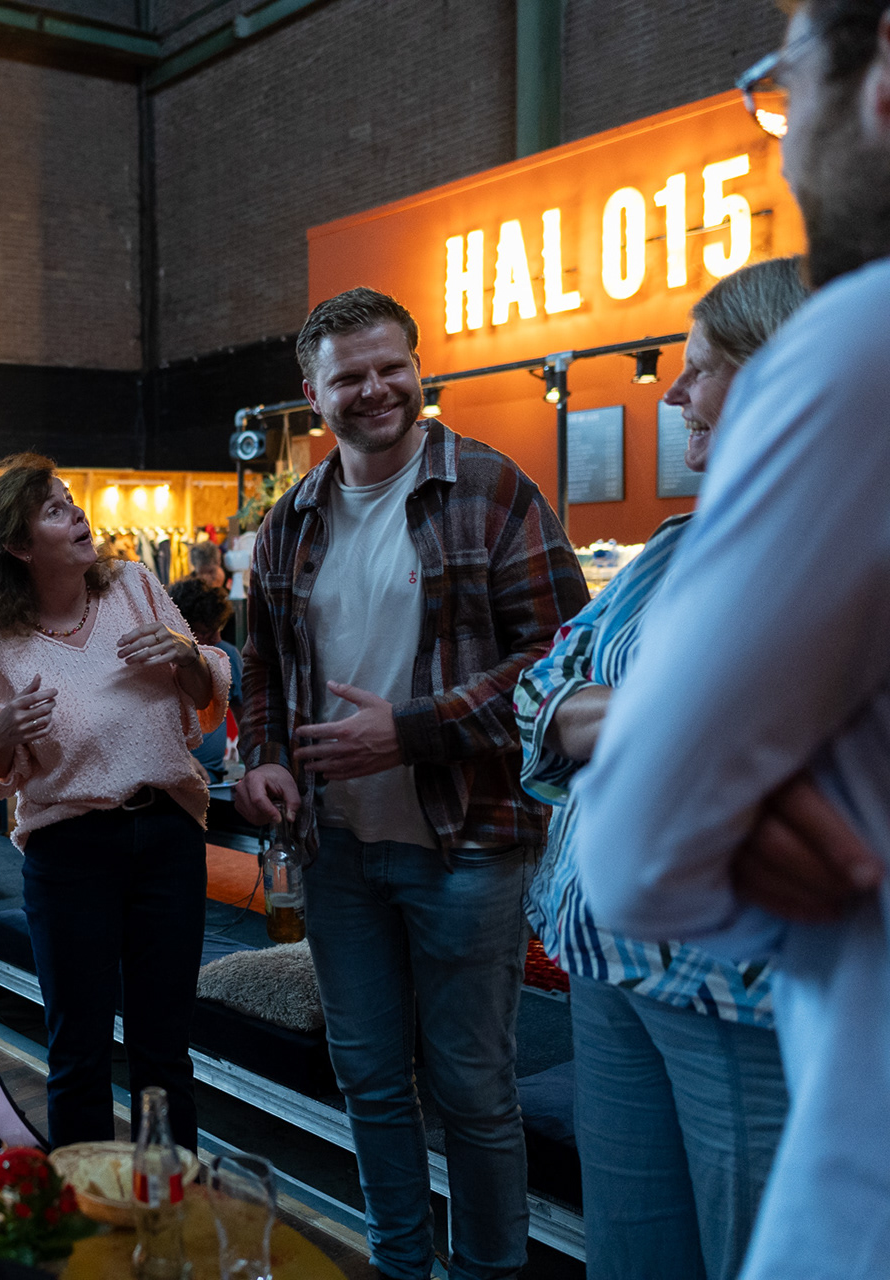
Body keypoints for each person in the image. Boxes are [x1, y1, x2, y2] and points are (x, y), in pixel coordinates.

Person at [573, 7, 890, 1276]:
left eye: (784, 87)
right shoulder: (663, 548)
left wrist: (693, 783)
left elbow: (635, 849)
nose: (784, 137)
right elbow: (549, 695)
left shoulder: (859, 343)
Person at [231, 286, 586, 1280]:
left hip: (468, 844)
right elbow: (262, 664)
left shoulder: (490, 487)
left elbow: (565, 661)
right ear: (314, 394)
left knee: (474, 1091)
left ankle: (489, 1270)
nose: (377, 388)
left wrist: (411, 730)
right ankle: (399, 1264)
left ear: (418, 369)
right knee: (371, 1082)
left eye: (393, 367)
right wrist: (263, 756)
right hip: (336, 848)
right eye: (351, 376)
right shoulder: (294, 516)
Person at [516, 258, 807, 1280]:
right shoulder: (676, 546)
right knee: (632, 1254)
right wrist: (673, 710)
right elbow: (538, 691)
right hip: (605, 962)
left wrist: (604, 711)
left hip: (739, 987)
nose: (674, 392)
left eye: (701, 366)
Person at [0, 456, 227, 1151]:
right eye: (54, 509)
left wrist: (185, 655)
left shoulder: (133, 585)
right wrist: (2, 732)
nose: (77, 514)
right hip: (69, 854)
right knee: (78, 1053)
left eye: (72, 500)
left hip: (167, 836)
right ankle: (81, 1212)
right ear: (18, 545)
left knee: (165, 1050)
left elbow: (206, 695)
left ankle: (171, 1206)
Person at [167, 576, 243, 785]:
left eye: (218, 628)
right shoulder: (163, 661)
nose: (216, 638)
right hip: (173, 775)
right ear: (182, 628)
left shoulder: (227, 654)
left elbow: (243, 713)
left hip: (214, 776)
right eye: (205, 632)